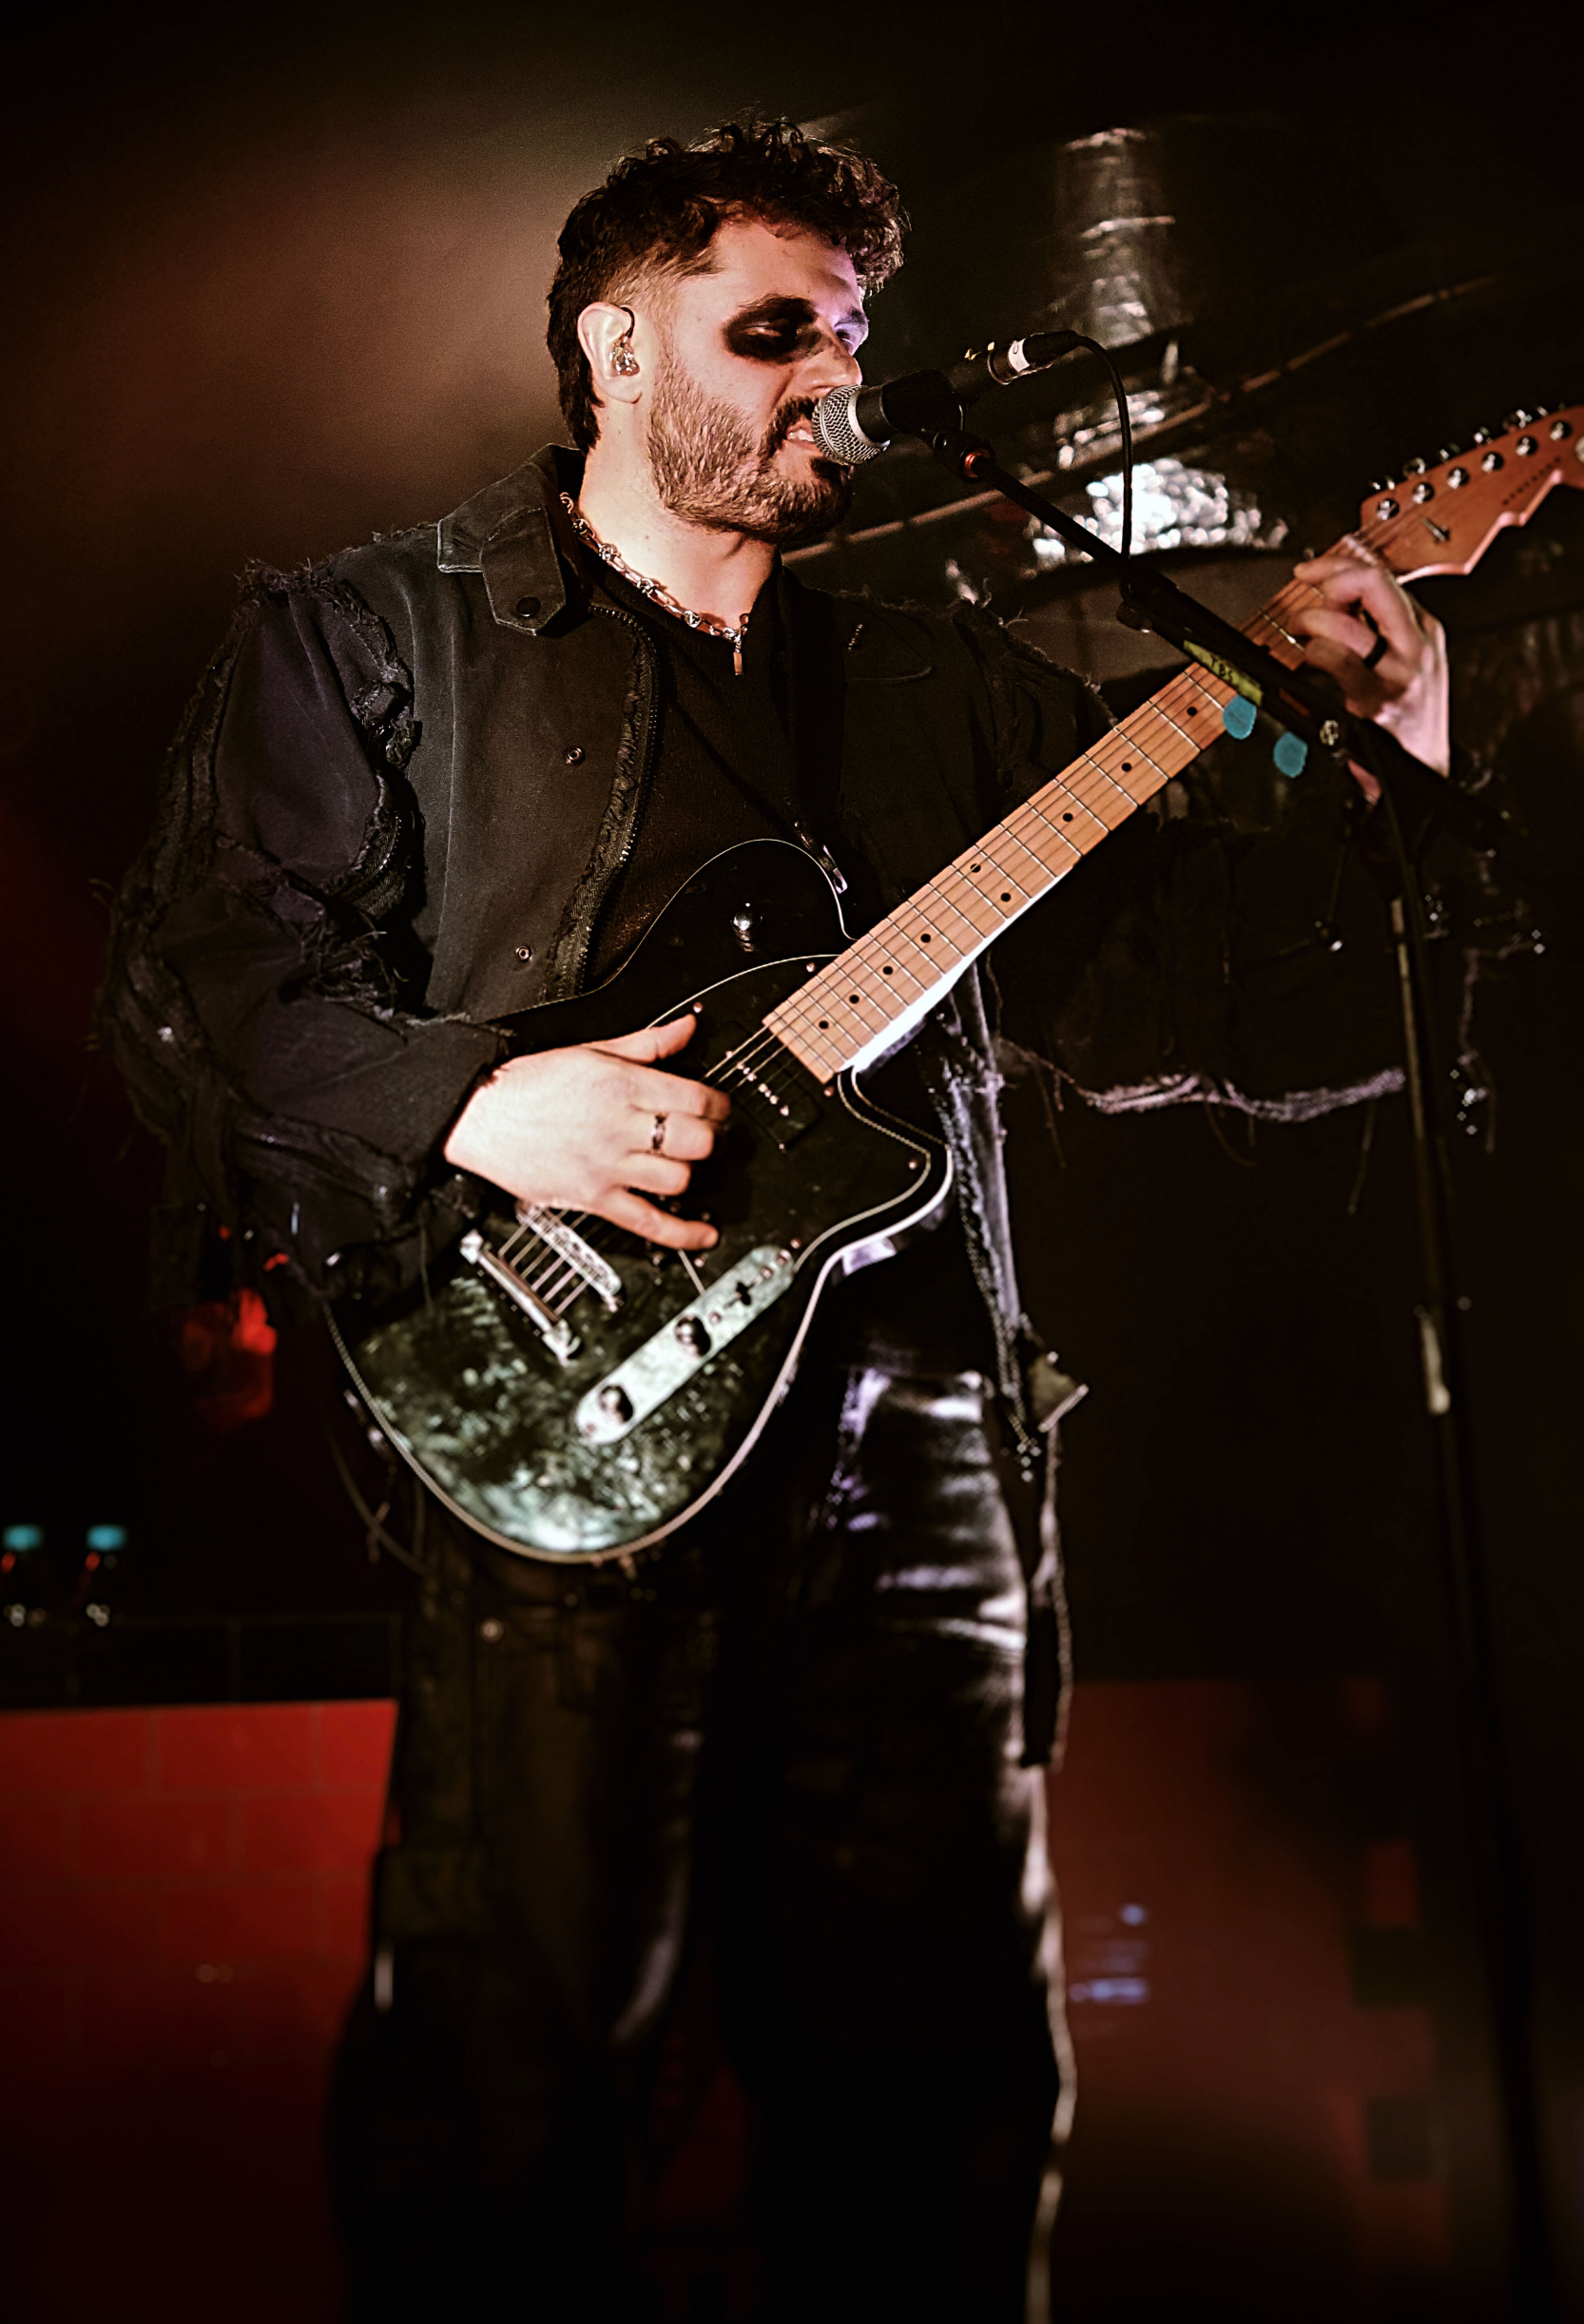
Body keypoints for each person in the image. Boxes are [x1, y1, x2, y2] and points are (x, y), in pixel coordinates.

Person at [101, 119, 1449, 2320]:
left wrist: (1389, 733)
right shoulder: (374, 639)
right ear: (614, 349)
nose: (832, 379)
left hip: (912, 1477)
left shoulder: (929, 683)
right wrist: (485, 1102)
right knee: (515, 2083)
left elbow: (1205, 998)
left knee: (941, 2107)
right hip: (568, 1447)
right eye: (771, 335)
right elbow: (199, 993)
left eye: (848, 338)